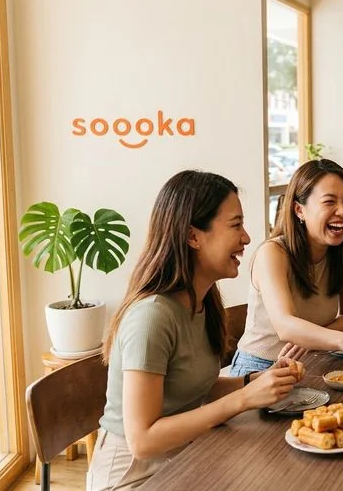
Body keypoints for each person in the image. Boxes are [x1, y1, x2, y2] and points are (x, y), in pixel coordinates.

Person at [89, 171, 306, 490]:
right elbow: (143, 441)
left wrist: (253, 381)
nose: (246, 237)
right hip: (134, 476)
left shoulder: (203, 303)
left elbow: (191, 387)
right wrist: (245, 398)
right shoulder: (152, 317)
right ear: (193, 236)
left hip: (185, 457)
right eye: (235, 225)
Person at [231, 159, 343, 376]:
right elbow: (285, 326)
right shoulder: (273, 253)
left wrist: (312, 339)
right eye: (329, 202)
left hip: (314, 360)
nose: (342, 211)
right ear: (299, 210)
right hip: (259, 367)